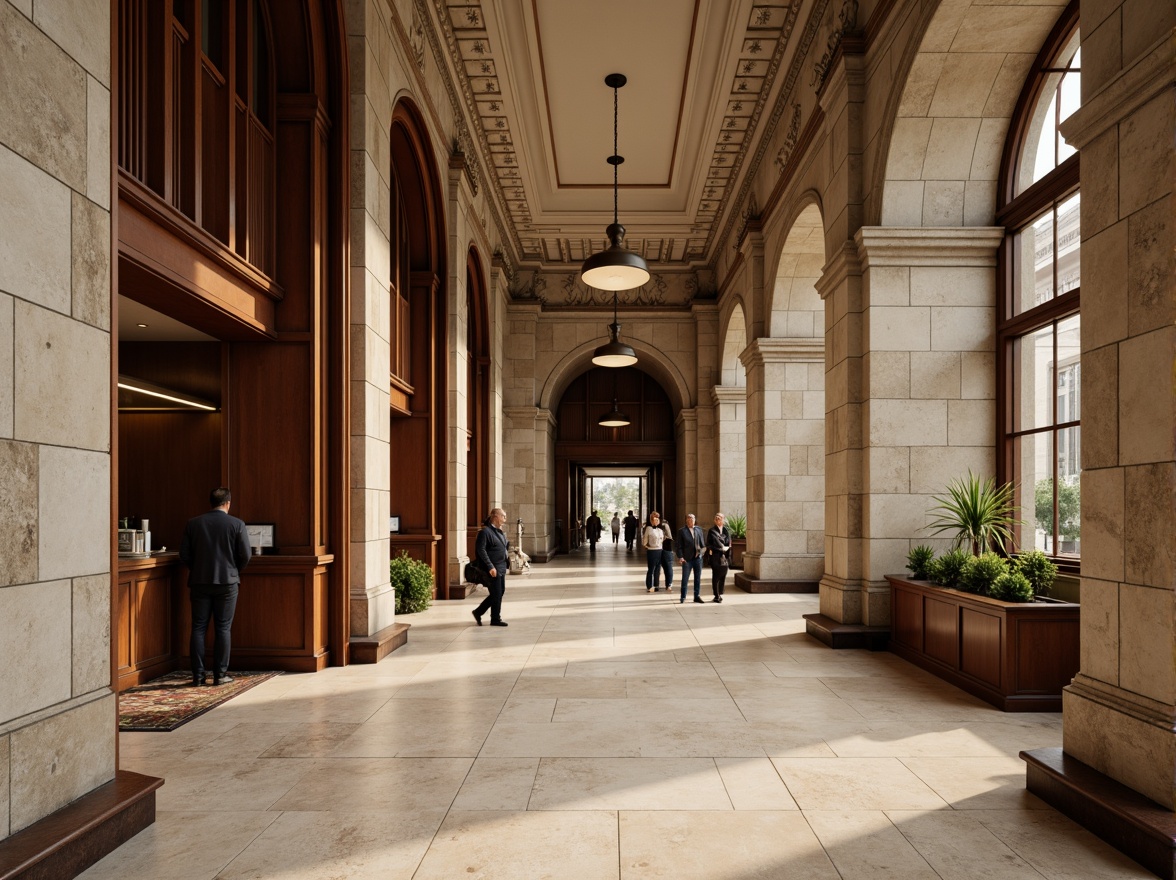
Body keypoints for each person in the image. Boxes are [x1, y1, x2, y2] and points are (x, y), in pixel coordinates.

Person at [180, 487, 252, 686]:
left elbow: (184, 554)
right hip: (227, 583)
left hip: (199, 582)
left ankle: (198, 676)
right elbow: (246, 555)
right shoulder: (236, 524)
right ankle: (220, 675)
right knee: (223, 628)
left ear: (210, 502)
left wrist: (198, 569)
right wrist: (233, 570)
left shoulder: (193, 523)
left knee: (198, 627)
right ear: (228, 503)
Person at [472, 507, 510, 626]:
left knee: (499, 592)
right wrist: (490, 566)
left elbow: (504, 547)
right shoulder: (485, 532)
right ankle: (494, 618)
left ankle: (481, 613)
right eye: (503, 516)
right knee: (496, 593)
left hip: (501, 567)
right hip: (493, 568)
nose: (505, 518)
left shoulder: (499, 531)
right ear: (496, 517)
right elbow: (481, 550)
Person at [675, 513, 706, 604]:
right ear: (686, 520)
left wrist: (701, 553)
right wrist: (680, 557)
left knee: (697, 578)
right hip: (687, 559)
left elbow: (703, 545)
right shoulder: (682, 531)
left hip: (697, 558)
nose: (691, 520)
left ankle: (696, 596)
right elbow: (678, 546)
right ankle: (683, 596)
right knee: (685, 579)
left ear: (695, 519)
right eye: (689, 518)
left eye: (692, 518)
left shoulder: (699, 530)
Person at [707, 512, 733, 603]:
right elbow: (709, 545)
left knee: (723, 576)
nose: (718, 519)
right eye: (716, 518)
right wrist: (720, 548)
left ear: (723, 520)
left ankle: (720, 593)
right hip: (715, 557)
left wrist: (727, 551)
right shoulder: (712, 531)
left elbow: (729, 543)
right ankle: (716, 595)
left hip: (725, 558)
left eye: (720, 518)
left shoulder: (727, 530)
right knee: (716, 576)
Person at [642, 512, 667, 592]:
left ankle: (656, 585)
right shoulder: (648, 529)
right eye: (654, 519)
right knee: (651, 569)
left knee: (658, 569)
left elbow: (662, 539)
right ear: (651, 520)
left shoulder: (660, 530)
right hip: (652, 551)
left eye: (657, 519)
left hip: (659, 550)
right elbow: (644, 541)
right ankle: (649, 585)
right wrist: (647, 546)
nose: (656, 521)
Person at [659, 515, 675, 592]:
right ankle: (656, 584)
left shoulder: (665, 525)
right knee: (657, 569)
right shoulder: (651, 526)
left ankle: (669, 584)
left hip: (666, 548)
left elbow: (669, 537)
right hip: (657, 549)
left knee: (668, 567)